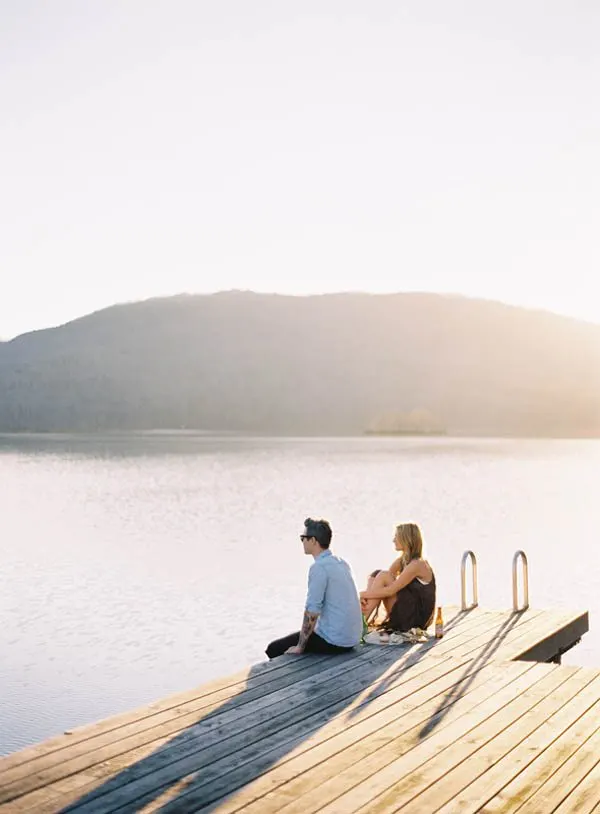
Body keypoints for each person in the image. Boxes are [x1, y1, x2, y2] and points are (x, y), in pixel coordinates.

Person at [265, 517, 363, 658]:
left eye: (303, 538)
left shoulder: (319, 568)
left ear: (313, 540)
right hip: (351, 639)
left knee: (273, 649)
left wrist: (300, 646)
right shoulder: (341, 563)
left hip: (335, 642)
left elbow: (312, 611)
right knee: (302, 636)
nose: (302, 542)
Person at [360, 522, 436, 632]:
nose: (393, 540)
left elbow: (390, 590)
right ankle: (362, 619)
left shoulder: (417, 564)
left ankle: (360, 623)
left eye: (396, 537)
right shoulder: (403, 560)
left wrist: (360, 594)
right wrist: (365, 596)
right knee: (376, 574)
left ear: (406, 539)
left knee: (383, 575)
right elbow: (381, 582)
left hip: (415, 621)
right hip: (407, 612)